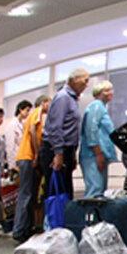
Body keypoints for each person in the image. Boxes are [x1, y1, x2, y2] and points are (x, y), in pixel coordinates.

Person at [40, 68, 90, 200]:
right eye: (85, 81)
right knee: (56, 195)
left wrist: (71, 154)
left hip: (65, 151)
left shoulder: (71, 99)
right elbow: (55, 127)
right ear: (75, 80)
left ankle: (61, 220)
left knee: (65, 192)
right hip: (55, 151)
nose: (87, 85)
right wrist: (58, 153)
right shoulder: (63, 97)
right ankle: (54, 221)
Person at [12, 95, 50, 242]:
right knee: (25, 194)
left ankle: (26, 228)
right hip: (27, 157)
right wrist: (36, 153)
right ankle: (19, 231)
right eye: (49, 103)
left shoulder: (37, 114)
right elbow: (32, 131)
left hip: (27, 158)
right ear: (43, 102)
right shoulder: (37, 112)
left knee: (31, 194)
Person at [79, 81, 118, 197]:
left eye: (110, 90)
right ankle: (90, 214)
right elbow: (91, 129)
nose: (110, 93)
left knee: (99, 191)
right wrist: (98, 154)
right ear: (98, 93)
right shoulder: (96, 106)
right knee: (95, 192)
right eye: (106, 90)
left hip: (97, 155)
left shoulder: (101, 107)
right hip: (93, 155)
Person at [5, 100, 32, 170]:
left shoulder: (23, 125)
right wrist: (11, 166)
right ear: (20, 109)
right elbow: (10, 146)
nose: (28, 113)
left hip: (23, 158)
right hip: (16, 159)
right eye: (27, 110)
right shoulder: (12, 125)